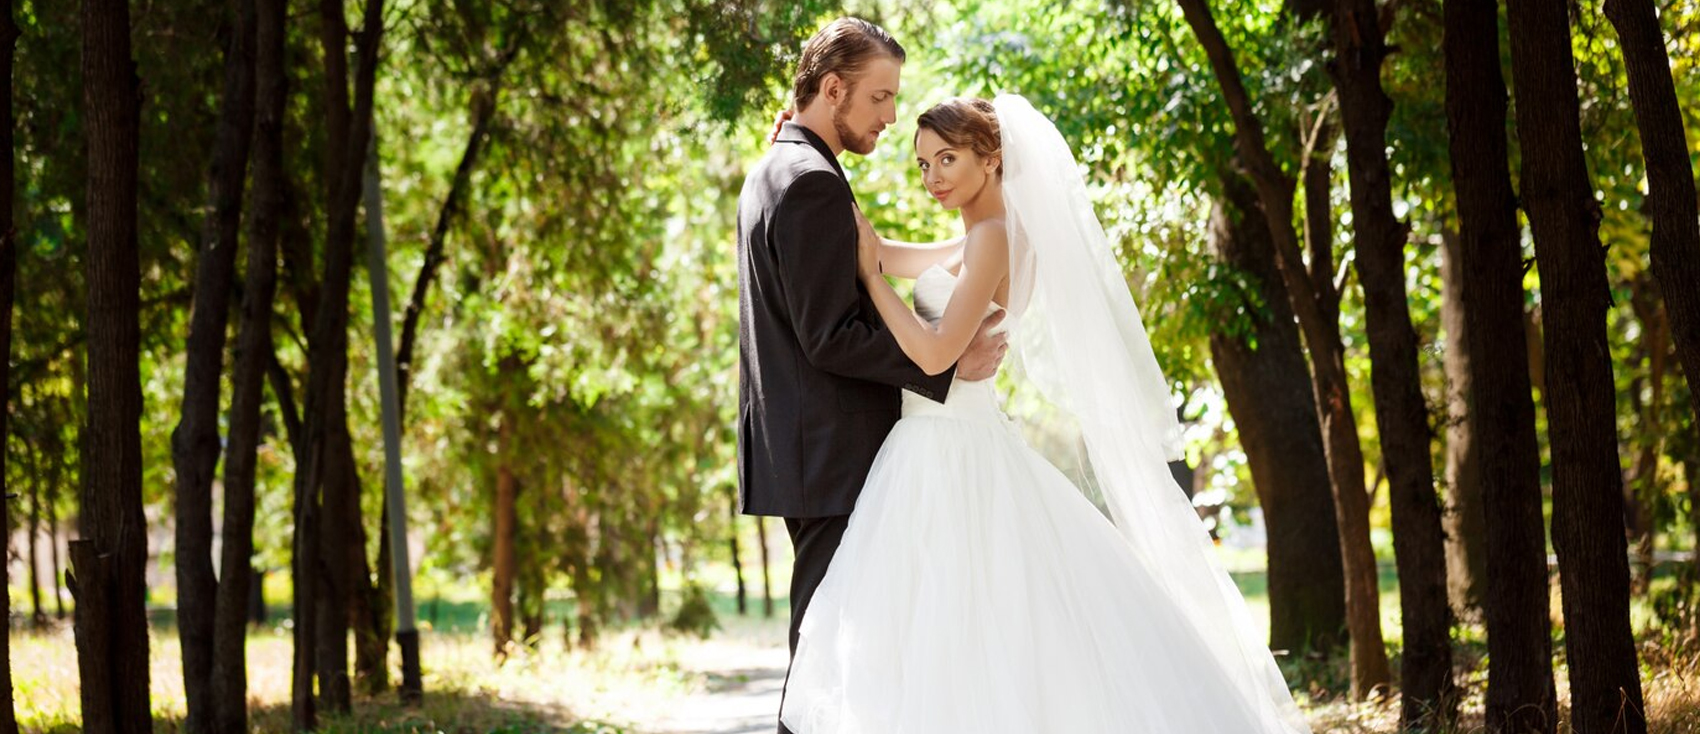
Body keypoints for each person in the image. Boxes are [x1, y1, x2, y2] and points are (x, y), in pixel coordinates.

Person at [776, 95, 1315, 733]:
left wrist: (870, 284)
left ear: (993, 157)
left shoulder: (994, 240)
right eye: (922, 165)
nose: (933, 177)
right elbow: (894, 254)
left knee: (959, 626)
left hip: (950, 445)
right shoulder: (982, 235)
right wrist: (805, 155)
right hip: (941, 441)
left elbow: (932, 353)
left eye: (947, 159)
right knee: (959, 624)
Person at [733, 18, 1010, 734]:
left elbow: (873, 263)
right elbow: (829, 336)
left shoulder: (780, 170)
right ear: (833, 89)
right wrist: (945, 368)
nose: (891, 116)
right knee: (829, 651)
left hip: (808, 449)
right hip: (832, 452)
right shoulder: (812, 183)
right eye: (881, 98)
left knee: (843, 645)